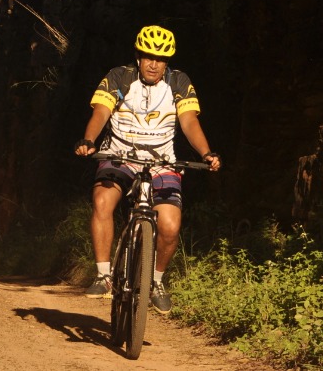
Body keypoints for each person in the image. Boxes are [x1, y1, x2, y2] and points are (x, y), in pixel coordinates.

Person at [74, 25, 220, 314]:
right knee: (103, 200)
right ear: (138, 56)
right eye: (148, 56)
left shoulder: (179, 82)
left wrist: (206, 152)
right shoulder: (119, 77)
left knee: (170, 225)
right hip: (119, 155)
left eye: (161, 58)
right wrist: (89, 140)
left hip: (162, 161)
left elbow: (189, 121)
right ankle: (103, 274)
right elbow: (101, 112)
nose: (154, 63)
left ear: (168, 61)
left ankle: (155, 282)